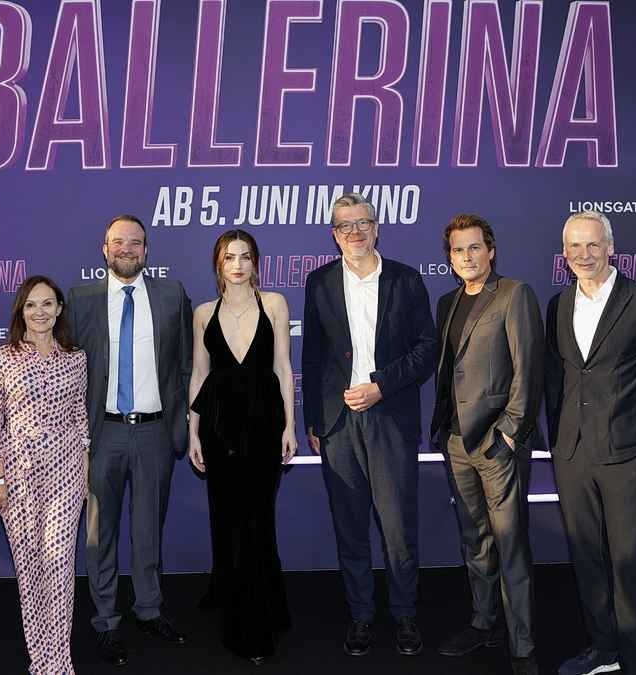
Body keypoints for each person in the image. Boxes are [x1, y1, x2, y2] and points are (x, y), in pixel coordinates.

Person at [302, 193, 438, 657]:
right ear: (334, 234)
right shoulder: (318, 282)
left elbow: (426, 349)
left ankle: (404, 615)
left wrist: (381, 385)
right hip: (339, 426)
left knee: (398, 529)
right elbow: (314, 357)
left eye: (362, 223)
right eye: (344, 225)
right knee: (351, 528)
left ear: (376, 228)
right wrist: (315, 422)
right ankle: (361, 616)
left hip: (390, 417)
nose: (354, 231)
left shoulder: (406, 280)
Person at [545, 211, 636, 675]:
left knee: (631, 567)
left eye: (593, 245)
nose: (584, 255)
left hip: (627, 454)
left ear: (610, 247)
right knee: (588, 561)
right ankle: (603, 650)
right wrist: (557, 440)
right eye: (574, 247)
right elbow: (556, 378)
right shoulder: (558, 305)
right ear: (564, 255)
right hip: (572, 455)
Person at [66, 215, 194, 667]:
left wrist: (182, 425)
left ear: (147, 250)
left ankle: (149, 610)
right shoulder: (78, 301)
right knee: (100, 533)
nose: (126, 249)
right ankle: (105, 621)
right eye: (117, 242)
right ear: (104, 249)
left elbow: (185, 365)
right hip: (102, 433)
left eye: (135, 243)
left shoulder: (172, 296)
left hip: (156, 431)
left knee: (147, 530)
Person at [429, 215, 543, 675]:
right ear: (450, 258)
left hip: (498, 443)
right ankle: (483, 623)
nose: (467, 257)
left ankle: (523, 644)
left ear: (490, 251)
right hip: (455, 441)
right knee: (474, 540)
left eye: (475, 248)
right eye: (458, 250)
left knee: (510, 542)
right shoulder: (447, 302)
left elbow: (528, 369)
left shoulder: (514, 294)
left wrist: (510, 431)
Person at [188, 229, 296, 666]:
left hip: (264, 427)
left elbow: (284, 368)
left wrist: (290, 426)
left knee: (256, 522)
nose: (237, 264)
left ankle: (259, 623)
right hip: (217, 429)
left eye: (245, 256)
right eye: (229, 257)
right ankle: (231, 604)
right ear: (218, 263)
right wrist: (193, 432)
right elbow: (199, 374)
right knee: (227, 521)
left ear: (255, 262)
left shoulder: (274, 304)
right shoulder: (202, 313)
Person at [0, 274, 89, 675]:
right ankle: (40, 660)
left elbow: (80, 419)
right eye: (31, 304)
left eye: (47, 304)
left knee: (59, 562)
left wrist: (86, 474)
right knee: (30, 570)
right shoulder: (1, 358)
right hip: (18, 476)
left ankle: (61, 662)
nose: (39, 312)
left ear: (59, 309)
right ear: (20, 311)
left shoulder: (76, 358)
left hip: (65, 471)